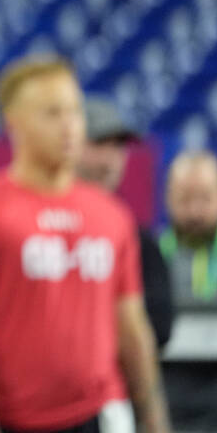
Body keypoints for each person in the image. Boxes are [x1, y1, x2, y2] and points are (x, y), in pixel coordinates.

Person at [0, 56, 172, 433]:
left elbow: (133, 330)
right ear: (15, 124)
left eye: (74, 111)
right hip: (13, 429)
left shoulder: (112, 216)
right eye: (52, 113)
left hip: (99, 423)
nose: (69, 126)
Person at [77, 97, 174, 348]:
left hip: (113, 383)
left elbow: (159, 327)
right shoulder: (35, 228)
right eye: (98, 144)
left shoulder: (137, 239)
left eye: (118, 147)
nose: (109, 161)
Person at [157, 151, 217, 433]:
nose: (195, 210)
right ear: (167, 199)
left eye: (206, 198)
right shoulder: (150, 259)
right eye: (185, 198)